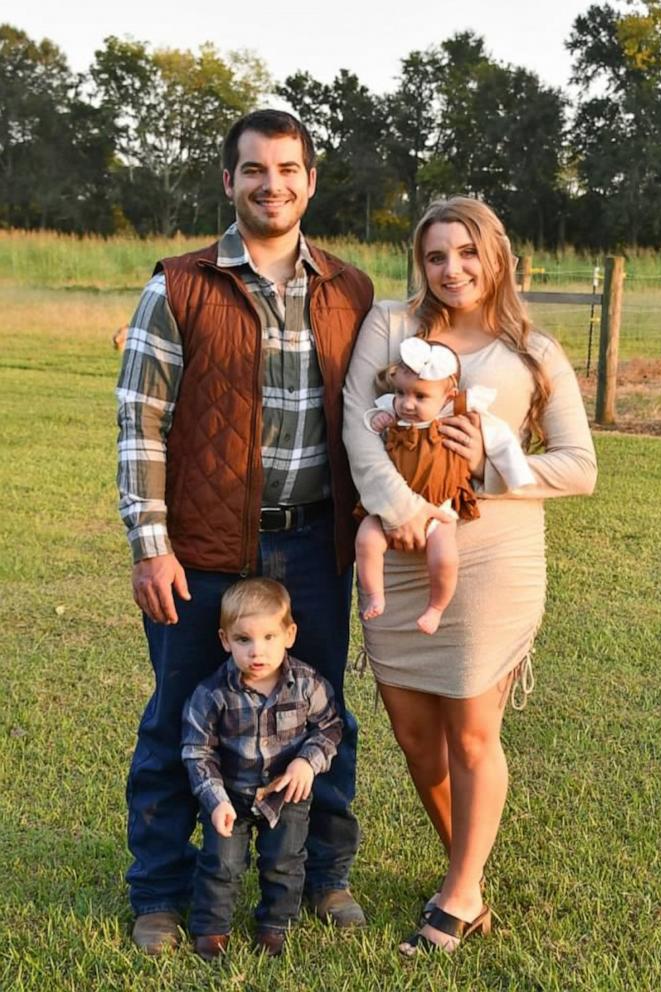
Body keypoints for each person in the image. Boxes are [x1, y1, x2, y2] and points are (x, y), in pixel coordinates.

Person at [116, 108, 374, 954]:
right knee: (177, 718)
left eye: (289, 169)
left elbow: (374, 417)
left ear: (309, 180)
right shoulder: (179, 284)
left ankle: (322, 877)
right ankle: (159, 892)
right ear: (229, 181)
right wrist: (150, 544)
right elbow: (139, 423)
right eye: (255, 170)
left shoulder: (350, 289)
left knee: (319, 713)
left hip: (314, 544)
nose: (274, 184)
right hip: (203, 549)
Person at [343, 196, 597, 954]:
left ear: (495, 258)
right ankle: (471, 873)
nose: (450, 269)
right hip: (394, 551)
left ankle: (456, 895)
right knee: (416, 739)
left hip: (490, 557)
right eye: (433, 255)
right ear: (418, 264)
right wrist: (398, 508)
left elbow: (579, 468)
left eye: (466, 253)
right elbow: (358, 422)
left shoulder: (533, 352)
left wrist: (490, 459)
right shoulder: (390, 328)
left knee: (472, 732)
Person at [182, 579, 342, 959]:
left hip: (287, 793)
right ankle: (212, 929)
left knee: (284, 861)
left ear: (290, 634)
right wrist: (215, 798)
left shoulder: (306, 684)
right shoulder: (212, 694)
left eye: (270, 637)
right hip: (230, 795)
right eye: (244, 640)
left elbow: (331, 726)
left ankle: (274, 926)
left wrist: (307, 761)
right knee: (221, 862)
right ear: (224, 640)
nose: (258, 651)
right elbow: (196, 750)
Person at [356, 336, 535, 634]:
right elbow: (365, 426)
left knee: (445, 558)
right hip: (390, 506)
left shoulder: (456, 412)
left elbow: (499, 436)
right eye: (401, 392)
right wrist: (378, 418)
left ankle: (435, 608)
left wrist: (513, 475)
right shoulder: (393, 414)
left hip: (439, 508)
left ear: (449, 396)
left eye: (420, 397)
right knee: (366, 540)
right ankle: (375, 594)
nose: (407, 403)